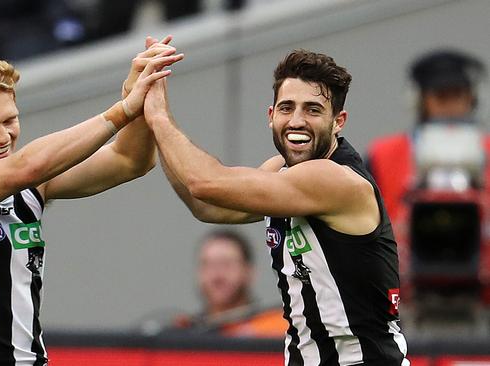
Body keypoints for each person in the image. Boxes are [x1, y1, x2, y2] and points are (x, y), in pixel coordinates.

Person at [0, 36, 183, 365]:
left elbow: (129, 160)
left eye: (10, 120)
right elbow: (25, 168)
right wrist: (121, 112)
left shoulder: (32, 185)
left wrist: (141, 95)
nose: (3, 136)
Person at [143, 50, 409, 364]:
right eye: (287, 108)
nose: (297, 121)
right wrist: (153, 123)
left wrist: (158, 116)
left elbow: (205, 183)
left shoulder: (334, 179)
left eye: (312, 110)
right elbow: (205, 205)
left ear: (338, 122)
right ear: (271, 115)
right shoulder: (281, 171)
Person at [366, 49, 489, 224]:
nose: (450, 105)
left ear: (473, 98)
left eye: (457, 94)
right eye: (441, 96)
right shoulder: (382, 155)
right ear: (419, 100)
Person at [171, 229, 287, 337]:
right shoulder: (183, 332)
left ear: (249, 272)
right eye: (207, 265)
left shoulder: (278, 330)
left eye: (227, 264)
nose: (216, 275)